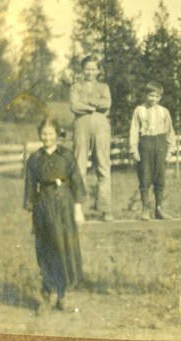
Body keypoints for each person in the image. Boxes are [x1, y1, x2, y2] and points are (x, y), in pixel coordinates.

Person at [24, 118, 86, 311]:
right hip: (43, 207)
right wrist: (33, 216)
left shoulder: (66, 155)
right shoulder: (34, 159)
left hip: (64, 206)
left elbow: (76, 182)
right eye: (44, 133)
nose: (47, 137)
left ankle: (62, 297)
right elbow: (29, 188)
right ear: (40, 135)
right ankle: (46, 297)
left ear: (57, 135)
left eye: (50, 133)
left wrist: (78, 210)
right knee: (46, 252)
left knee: (64, 250)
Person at [70, 55, 113, 221]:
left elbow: (107, 104)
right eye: (87, 68)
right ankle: (79, 208)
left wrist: (86, 102)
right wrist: (94, 107)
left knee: (103, 165)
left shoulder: (104, 87)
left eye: (93, 68)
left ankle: (106, 209)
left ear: (98, 70)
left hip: (101, 127)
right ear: (83, 69)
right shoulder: (75, 86)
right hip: (81, 126)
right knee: (79, 166)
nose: (90, 72)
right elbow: (74, 106)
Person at [129, 81, 176, 221]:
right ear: (145, 95)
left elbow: (170, 131)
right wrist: (133, 148)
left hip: (160, 143)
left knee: (160, 177)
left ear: (160, 97)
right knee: (145, 176)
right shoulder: (139, 110)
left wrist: (170, 150)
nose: (153, 99)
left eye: (156, 96)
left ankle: (159, 209)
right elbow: (134, 130)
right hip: (145, 143)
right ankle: (145, 209)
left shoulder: (164, 111)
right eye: (150, 95)